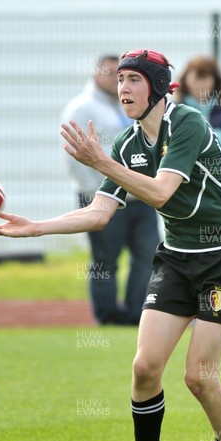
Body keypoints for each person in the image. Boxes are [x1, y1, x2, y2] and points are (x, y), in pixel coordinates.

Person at [0, 48, 221, 441]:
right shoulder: (126, 144)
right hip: (176, 258)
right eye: (120, 81)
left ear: (156, 87)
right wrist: (34, 226)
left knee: (199, 377)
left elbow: (159, 191)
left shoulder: (187, 123)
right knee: (144, 368)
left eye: (133, 80)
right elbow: (99, 214)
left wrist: (102, 164)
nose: (123, 89)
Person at [61, 55, 160, 325]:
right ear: (95, 74)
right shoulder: (82, 107)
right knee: (105, 261)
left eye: (124, 77)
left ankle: (137, 312)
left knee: (149, 256)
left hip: (140, 196)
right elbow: (74, 155)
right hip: (102, 197)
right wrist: (97, 192)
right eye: (112, 75)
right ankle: (107, 316)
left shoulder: (133, 107)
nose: (118, 82)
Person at [175, 55, 221, 207]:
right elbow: (173, 145)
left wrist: (197, 151)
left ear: (215, 81)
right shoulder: (175, 111)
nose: (201, 84)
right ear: (186, 80)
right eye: (196, 78)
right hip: (188, 186)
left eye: (206, 78)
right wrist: (218, 138)